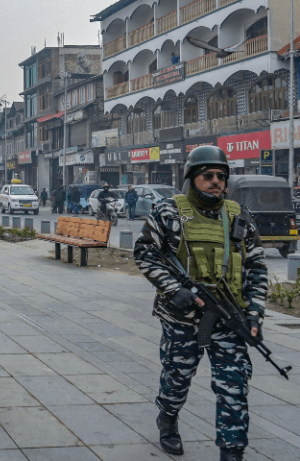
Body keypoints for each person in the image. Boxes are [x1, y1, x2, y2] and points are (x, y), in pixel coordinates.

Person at [134, 146, 267, 461]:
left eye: (221, 176)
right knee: (176, 378)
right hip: (181, 318)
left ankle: (232, 452)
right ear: (192, 177)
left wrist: (254, 316)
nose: (216, 181)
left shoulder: (239, 216)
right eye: (208, 175)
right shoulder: (169, 212)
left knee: (234, 387)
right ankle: (167, 418)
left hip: (228, 319)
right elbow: (145, 253)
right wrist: (173, 290)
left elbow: (257, 270)